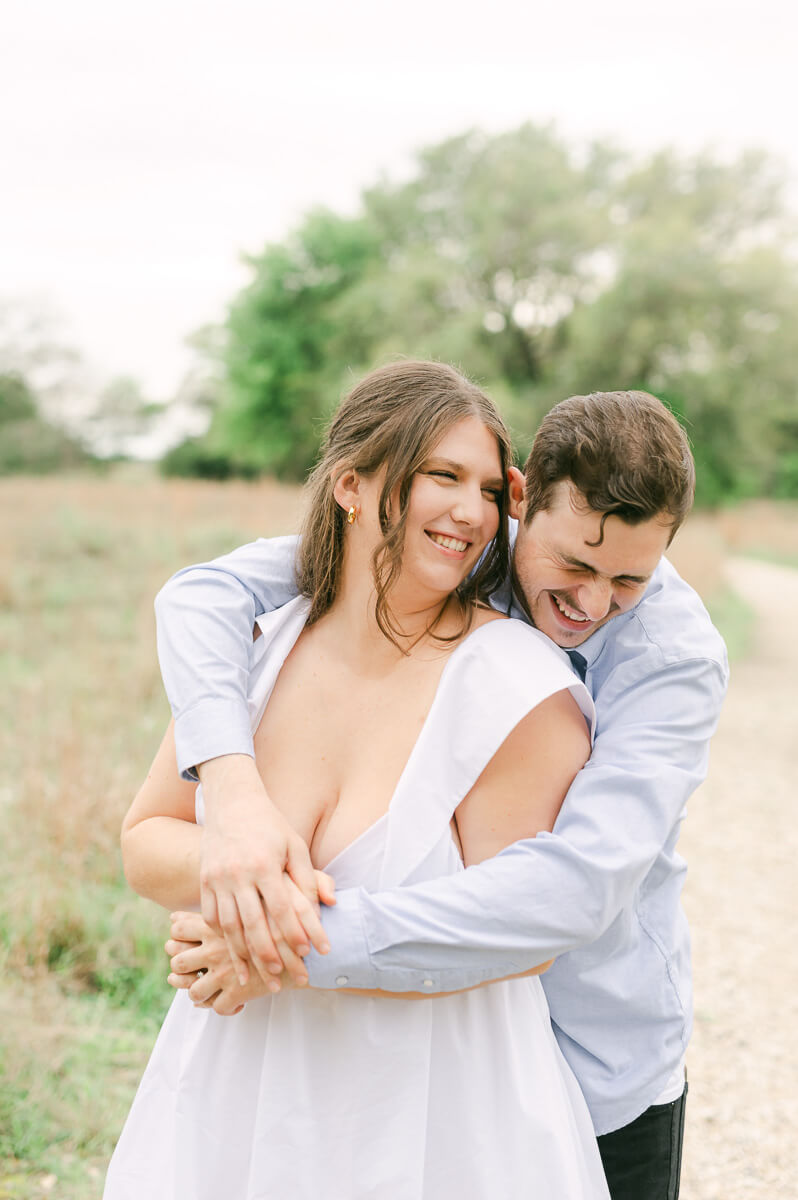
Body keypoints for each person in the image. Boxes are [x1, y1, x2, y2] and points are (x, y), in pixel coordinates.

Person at [154, 383, 729, 1200]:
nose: (592, 604)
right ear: (524, 498)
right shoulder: (455, 546)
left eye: (630, 581)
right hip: (411, 1035)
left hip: (599, 1044)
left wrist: (288, 947)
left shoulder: (676, 658)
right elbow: (202, 595)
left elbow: (574, 891)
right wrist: (233, 789)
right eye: (574, 564)